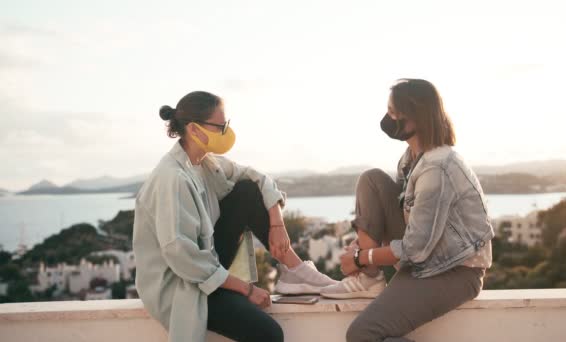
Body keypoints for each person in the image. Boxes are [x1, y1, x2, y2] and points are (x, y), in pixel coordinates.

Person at [133, 91, 337, 342]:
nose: (226, 132)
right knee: (268, 333)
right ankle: (291, 274)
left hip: (207, 265)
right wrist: (247, 289)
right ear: (195, 130)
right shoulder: (172, 179)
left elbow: (258, 178)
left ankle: (295, 271)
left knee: (247, 190)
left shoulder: (205, 163)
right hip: (184, 285)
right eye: (220, 127)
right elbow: (183, 257)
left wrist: (277, 223)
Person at [320, 79, 495, 342]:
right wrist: (365, 249)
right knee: (372, 180)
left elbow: (416, 248)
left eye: (393, 112)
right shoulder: (412, 157)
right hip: (429, 257)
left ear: (416, 116)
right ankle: (370, 278)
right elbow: (398, 213)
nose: (388, 118)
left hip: (455, 271)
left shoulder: (438, 167)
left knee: (363, 334)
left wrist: (361, 257)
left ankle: (366, 268)